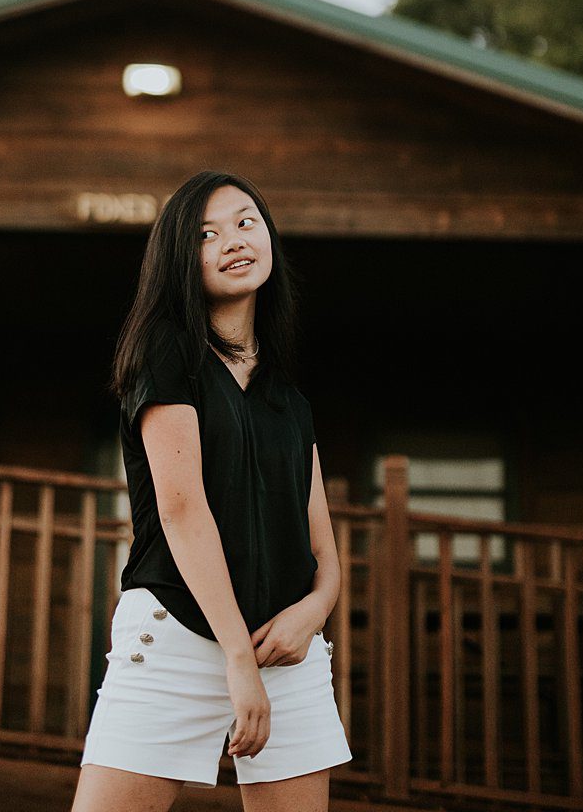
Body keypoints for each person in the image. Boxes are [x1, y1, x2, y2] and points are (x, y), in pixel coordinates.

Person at [71, 171, 351, 812]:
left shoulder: (290, 399)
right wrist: (237, 660)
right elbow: (181, 508)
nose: (232, 240)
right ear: (180, 258)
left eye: (246, 221)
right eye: (206, 232)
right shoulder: (166, 354)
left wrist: (314, 611)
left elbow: (324, 552)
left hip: (286, 653)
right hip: (177, 634)